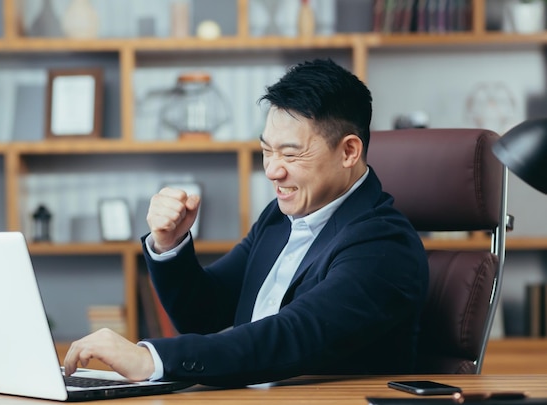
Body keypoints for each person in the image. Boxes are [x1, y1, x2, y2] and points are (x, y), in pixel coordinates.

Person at [64, 58, 429, 387]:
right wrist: (169, 244)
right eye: (267, 150)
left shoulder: (384, 244)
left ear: (349, 151)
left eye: (290, 153)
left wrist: (150, 358)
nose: (272, 170)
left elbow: (292, 335)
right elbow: (203, 313)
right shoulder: (279, 217)